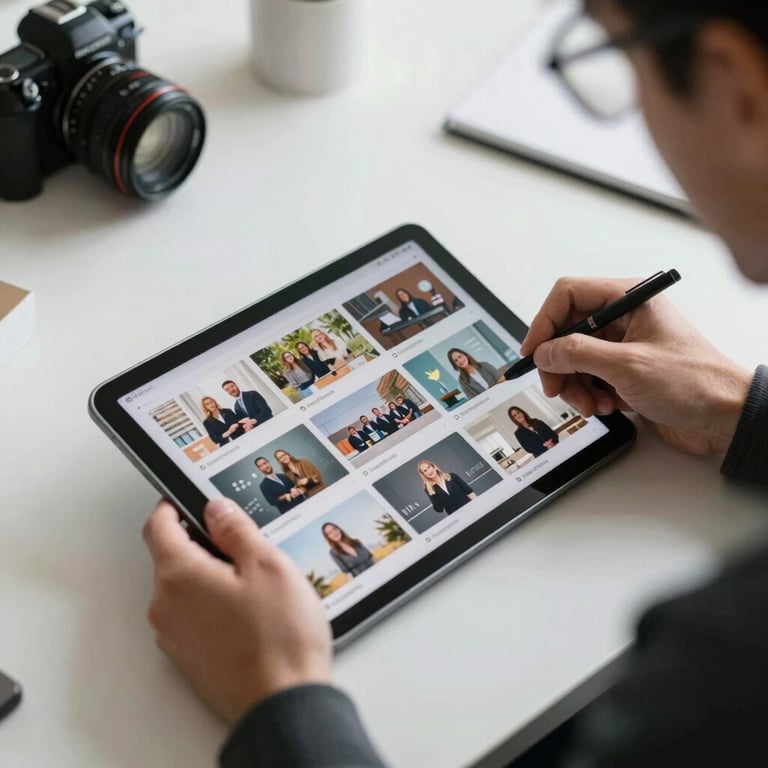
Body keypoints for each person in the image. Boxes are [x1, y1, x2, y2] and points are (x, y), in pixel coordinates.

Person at [142, 1, 768, 765]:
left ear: (738, 86)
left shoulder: (722, 667)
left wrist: (280, 697)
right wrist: (742, 411)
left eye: (621, 65)